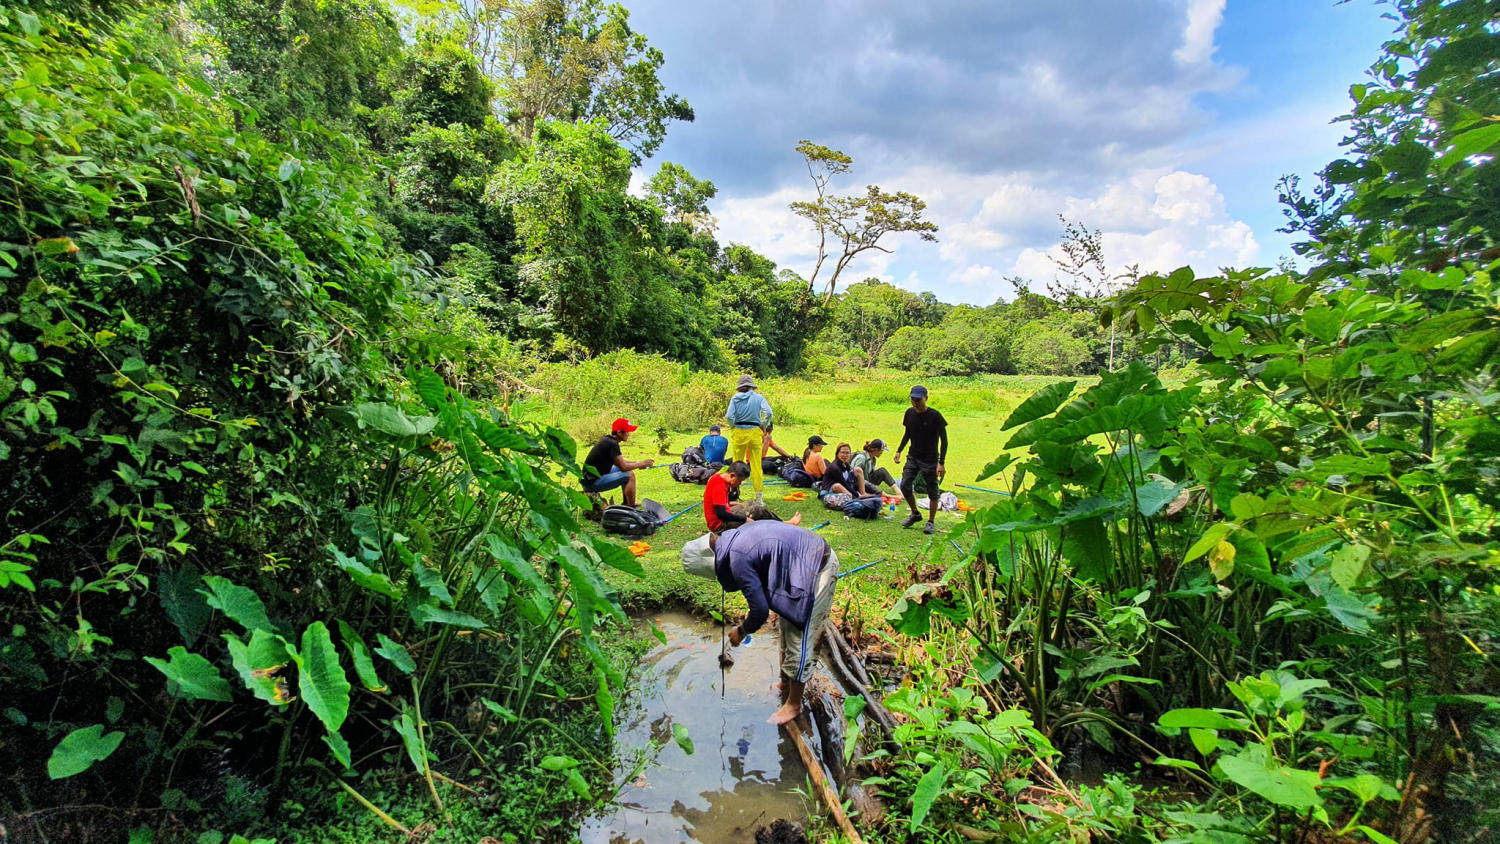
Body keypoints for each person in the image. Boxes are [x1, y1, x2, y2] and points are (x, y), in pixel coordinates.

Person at [680, 520, 839, 725]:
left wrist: (742, 631)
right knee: (787, 627)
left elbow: (760, 611)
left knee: (801, 636)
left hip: (817, 567)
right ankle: (785, 684)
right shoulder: (733, 540)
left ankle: (794, 704)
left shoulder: (738, 559)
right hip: (797, 567)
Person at [894, 385, 948, 534]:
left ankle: (930, 521)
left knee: (932, 490)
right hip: (913, 456)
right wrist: (899, 450)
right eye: (913, 399)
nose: (915, 402)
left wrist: (941, 462)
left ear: (926, 398)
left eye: (918, 399)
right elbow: (908, 434)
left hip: (930, 459)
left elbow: (944, 441)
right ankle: (915, 513)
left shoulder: (935, 416)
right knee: (905, 485)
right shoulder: (909, 413)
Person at [703, 462, 802, 532]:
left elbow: (717, 503)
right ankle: (785, 524)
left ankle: (778, 523)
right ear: (732, 475)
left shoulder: (718, 478)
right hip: (720, 525)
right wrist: (744, 519)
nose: (739, 484)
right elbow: (721, 514)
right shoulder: (719, 486)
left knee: (751, 503)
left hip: (724, 514)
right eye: (739, 481)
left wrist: (730, 504)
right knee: (756, 510)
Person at [582, 417, 655, 507]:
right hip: (592, 483)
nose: (629, 434)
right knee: (630, 475)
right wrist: (643, 463)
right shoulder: (612, 444)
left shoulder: (608, 440)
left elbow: (620, 463)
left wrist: (639, 463)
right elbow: (624, 467)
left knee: (625, 471)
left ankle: (626, 503)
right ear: (619, 432)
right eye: (627, 432)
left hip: (592, 478)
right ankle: (630, 505)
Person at [725, 374, 773, 500]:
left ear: (740, 387)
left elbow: (729, 416)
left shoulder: (735, 398)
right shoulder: (759, 398)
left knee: (736, 464)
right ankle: (759, 497)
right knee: (756, 465)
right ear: (752, 386)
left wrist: (733, 426)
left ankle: (733, 492)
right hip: (754, 432)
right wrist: (763, 424)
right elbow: (769, 412)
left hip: (739, 431)